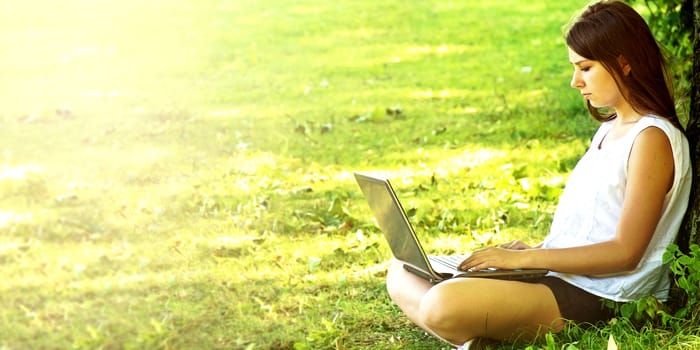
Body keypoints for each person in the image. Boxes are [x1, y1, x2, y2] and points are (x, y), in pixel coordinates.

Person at [384, 1, 693, 348]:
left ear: (624, 63)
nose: (576, 81)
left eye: (586, 68)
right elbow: (597, 224)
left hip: (603, 294)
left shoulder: (652, 138)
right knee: (401, 271)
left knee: (440, 304)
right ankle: (478, 336)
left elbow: (626, 252)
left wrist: (526, 259)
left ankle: (475, 333)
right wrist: (538, 250)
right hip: (564, 275)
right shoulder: (612, 129)